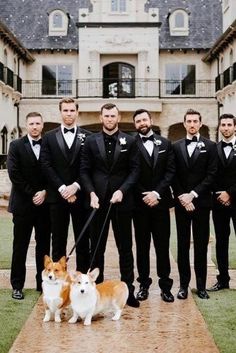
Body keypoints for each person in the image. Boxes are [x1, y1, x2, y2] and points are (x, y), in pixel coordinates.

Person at [80, 103, 140, 308]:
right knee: (97, 249)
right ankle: (96, 292)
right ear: (101, 117)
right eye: (106, 116)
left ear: (118, 117)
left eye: (113, 115)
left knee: (125, 248)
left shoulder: (130, 141)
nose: (109, 119)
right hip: (98, 202)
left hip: (122, 202)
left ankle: (128, 291)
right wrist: (91, 193)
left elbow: (135, 170)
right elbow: (84, 170)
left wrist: (122, 190)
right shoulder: (90, 141)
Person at [40, 97, 91, 272]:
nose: (69, 114)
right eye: (65, 110)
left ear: (77, 112)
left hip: (80, 195)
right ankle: (58, 280)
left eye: (72, 110)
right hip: (57, 196)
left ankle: (83, 278)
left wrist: (75, 186)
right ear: (60, 112)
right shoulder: (48, 137)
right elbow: (46, 165)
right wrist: (63, 189)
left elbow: (89, 166)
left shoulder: (88, 137)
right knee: (58, 240)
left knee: (83, 239)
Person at [172, 109, 217, 300]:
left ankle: (201, 286)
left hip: (201, 203)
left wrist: (193, 194)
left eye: (195, 121)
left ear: (200, 123)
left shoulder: (211, 146)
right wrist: (183, 196)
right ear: (184, 124)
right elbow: (172, 174)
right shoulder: (175, 146)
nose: (192, 124)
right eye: (188, 121)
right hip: (182, 204)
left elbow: (212, 174)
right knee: (183, 245)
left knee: (201, 246)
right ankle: (183, 286)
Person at [132, 109, 175, 303]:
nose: (142, 123)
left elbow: (170, 172)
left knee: (162, 247)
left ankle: (165, 286)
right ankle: (143, 285)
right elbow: (130, 173)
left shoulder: (165, 143)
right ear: (135, 125)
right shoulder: (130, 145)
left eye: (144, 119)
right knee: (142, 248)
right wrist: (145, 194)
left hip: (160, 203)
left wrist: (156, 193)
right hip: (140, 205)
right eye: (138, 121)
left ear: (151, 120)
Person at [7, 112, 51, 300]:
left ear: (42, 125)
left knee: (43, 247)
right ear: (26, 125)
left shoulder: (50, 145)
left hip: (45, 205)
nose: (34, 126)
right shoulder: (15, 145)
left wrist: (45, 192)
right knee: (20, 247)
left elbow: (56, 172)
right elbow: (14, 173)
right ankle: (17, 285)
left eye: (37, 123)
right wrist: (33, 193)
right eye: (31, 123)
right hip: (23, 205)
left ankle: (42, 284)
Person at [208, 113, 236, 291]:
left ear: (235, 127)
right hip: (218, 202)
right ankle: (223, 279)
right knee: (221, 241)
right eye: (223, 125)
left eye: (229, 125)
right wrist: (222, 195)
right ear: (219, 128)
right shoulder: (213, 149)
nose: (225, 128)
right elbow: (210, 174)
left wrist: (230, 193)